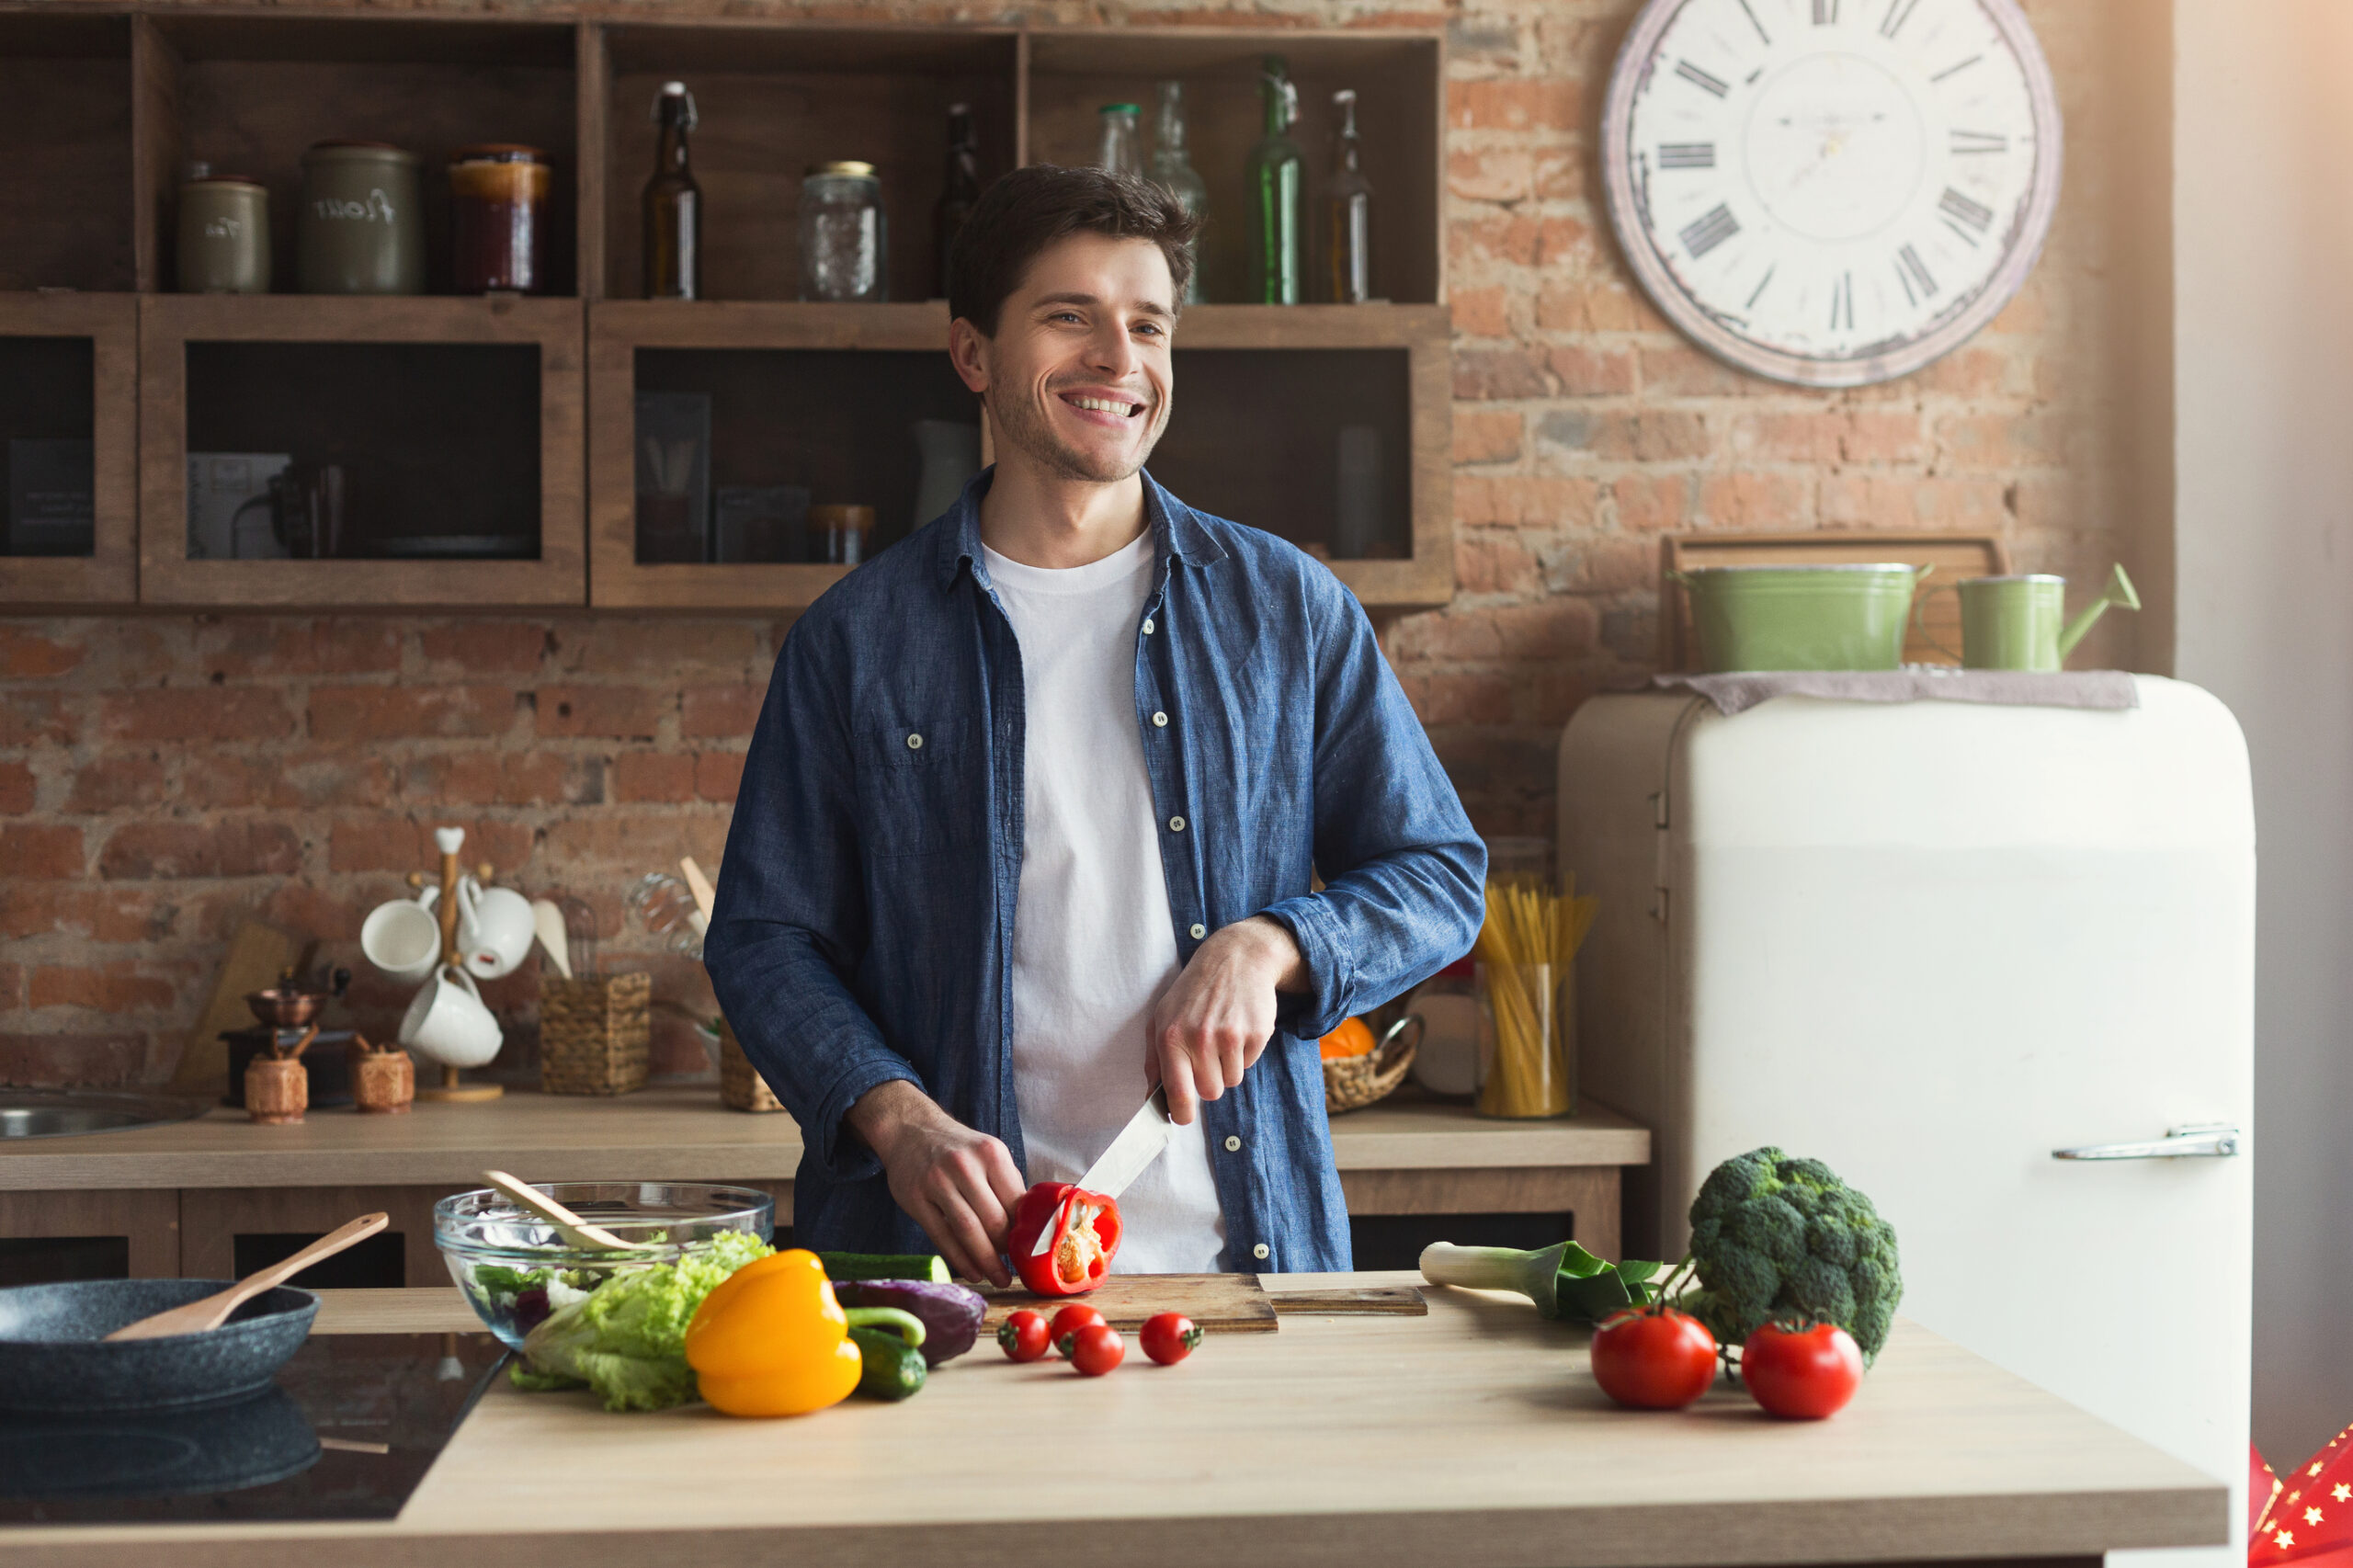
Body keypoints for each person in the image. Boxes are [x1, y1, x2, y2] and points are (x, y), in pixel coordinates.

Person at [705, 164, 1483, 1286]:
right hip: (939, 1278)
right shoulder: (854, 639)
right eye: (1069, 317)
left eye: (1147, 325)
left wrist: (1272, 943)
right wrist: (891, 1113)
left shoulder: (1286, 607)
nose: (1118, 359)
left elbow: (1440, 872)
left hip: (1239, 1272)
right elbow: (764, 938)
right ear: (973, 354)